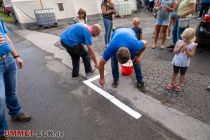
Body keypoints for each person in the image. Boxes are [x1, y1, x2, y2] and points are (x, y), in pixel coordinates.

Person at [0, 19, 31, 140]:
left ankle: (15, 113)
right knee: (0, 98)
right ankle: (3, 132)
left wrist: (16, 56)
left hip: (8, 59)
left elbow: (6, 38)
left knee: (11, 91)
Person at [166, 28, 197, 92]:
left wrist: (186, 49)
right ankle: (172, 82)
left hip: (184, 63)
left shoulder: (193, 45)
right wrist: (180, 47)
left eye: (187, 39)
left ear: (191, 38)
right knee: (175, 72)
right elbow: (175, 52)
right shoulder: (179, 42)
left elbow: (191, 55)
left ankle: (179, 84)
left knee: (182, 74)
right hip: (177, 61)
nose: (185, 40)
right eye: (184, 37)